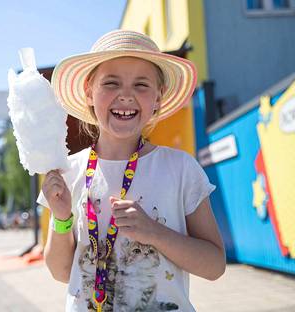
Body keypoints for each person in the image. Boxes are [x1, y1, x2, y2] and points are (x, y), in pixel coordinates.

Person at [37, 30, 226, 312]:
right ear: (90, 91)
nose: (125, 95)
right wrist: (62, 218)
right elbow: (61, 272)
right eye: (111, 83)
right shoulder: (68, 172)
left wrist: (154, 233)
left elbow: (214, 266)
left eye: (141, 85)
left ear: (159, 98)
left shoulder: (181, 169)